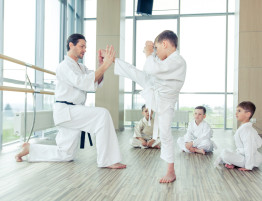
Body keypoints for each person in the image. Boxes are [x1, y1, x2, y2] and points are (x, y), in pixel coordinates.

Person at [15, 33, 126, 169]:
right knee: (102, 115)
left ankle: (30, 149)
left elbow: (94, 81)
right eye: (81, 46)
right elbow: (84, 83)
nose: (84, 49)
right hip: (67, 111)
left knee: (65, 154)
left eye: (85, 47)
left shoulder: (81, 67)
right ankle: (107, 160)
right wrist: (105, 66)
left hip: (72, 113)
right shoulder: (64, 66)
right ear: (71, 45)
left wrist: (101, 65)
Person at [113, 30, 187, 183]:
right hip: (155, 91)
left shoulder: (178, 60)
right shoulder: (166, 61)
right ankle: (114, 61)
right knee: (136, 74)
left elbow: (152, 68)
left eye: (158, 48)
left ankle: (170, 171)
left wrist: (148, 53)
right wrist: (151, 53)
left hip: (165, 103)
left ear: (165, 44)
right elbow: (149, 69)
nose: (156, 53)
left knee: (165, 134)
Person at [214, 101, 262, 171]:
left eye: (239, 111)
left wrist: (248, 166)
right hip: (244, 156)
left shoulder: (247, 130)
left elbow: (249, 148)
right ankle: (233, 163)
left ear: (248, 114)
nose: (236, 113)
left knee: (225, 154)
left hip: (252, 161)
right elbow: (258, 142)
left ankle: (235, 163)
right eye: (236, 111)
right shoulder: (244, 127)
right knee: (224, 151)